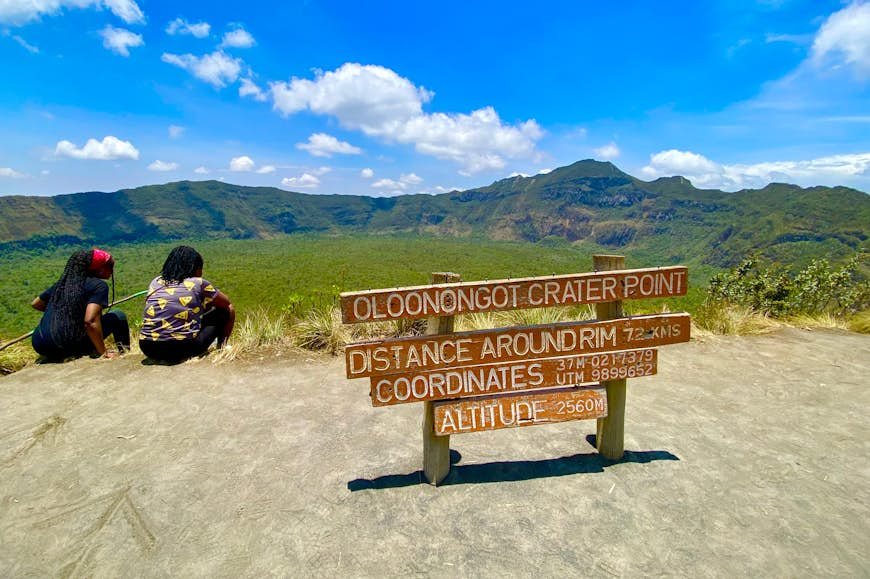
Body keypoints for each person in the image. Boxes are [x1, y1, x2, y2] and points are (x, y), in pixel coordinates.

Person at [139, 245, 235, 363]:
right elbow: (226, 302)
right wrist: (206, 301)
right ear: (195, 268)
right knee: (227, 310)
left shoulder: (155, 281)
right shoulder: (198, 283)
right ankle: (222, 347)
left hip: (148, 348)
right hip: (182, 348)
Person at [31, 248, 130, 360]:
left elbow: (36, 303)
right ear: (99, 269)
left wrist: (64, 314)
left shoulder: (63, 283)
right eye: (109, 266)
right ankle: (124, 351)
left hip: (40, 344)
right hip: (65, 346)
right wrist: (103, 353)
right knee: (118, 316)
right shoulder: (98, 286)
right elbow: (90, 321)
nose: (111, 271)